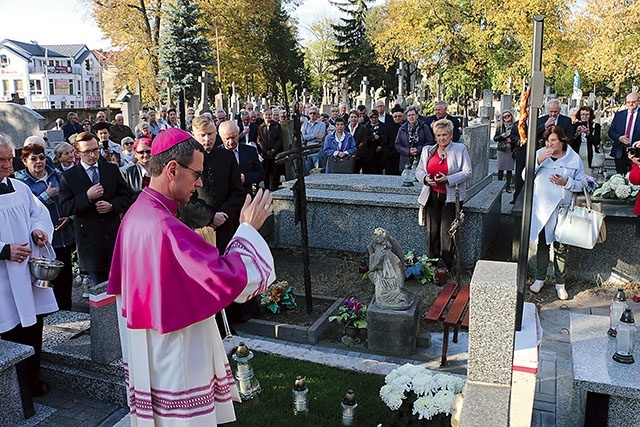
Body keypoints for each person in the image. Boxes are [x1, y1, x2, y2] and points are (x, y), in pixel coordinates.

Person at [106, 128, 275, 425]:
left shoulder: (138, 212)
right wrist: (247, 229)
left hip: (151, 349)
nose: (198, 183)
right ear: (173, 169)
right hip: (176, 354)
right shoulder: (163, 225)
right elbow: (226, 279)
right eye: (196, 173)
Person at [0, 135, 57, 398]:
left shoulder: (19, 188)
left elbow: (39, 213)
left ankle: (33, 378)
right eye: (1, 160)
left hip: (26, 274)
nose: (8, 166)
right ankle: (13, 390)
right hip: (3, 280)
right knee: (8, 331)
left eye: (9, 159)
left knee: (32, 328)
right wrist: (3, 250)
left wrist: (38, 231)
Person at [58, 132, 133, 294]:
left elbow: (127, 196)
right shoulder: (68, 177)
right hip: (90, 242)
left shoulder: (110, 169)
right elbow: (65, 207)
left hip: (113, 237)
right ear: (77, 153)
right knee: (102, 290)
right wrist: (87, 197)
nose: (92, 155)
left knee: (122, 287)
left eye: (95, 150)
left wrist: (112, 205)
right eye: (87, 152)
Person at [528, 126, 586, 300]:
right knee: (543, 244)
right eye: (547, 141)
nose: (549, 144)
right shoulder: (540, 154)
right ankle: (540, 278)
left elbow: (583, 183)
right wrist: (538, 161)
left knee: (560, 247)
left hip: (562, 210)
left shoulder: (573, 159)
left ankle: (560, 283)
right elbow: (525, 176)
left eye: (553, 140)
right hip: (543, 209)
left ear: (562, 141)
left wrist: (565, 182)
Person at [15, 143, 75, 310]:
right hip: (42, 242)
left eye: (42, 157)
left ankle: (67, 313)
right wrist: (46, 196)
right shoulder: (20, 183)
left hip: (63, 237)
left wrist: (69, 217)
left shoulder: (57, 176)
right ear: (25, 161)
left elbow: (72, 200)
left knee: (65, 282)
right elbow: (26, 210)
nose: (39, 162)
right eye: (33, 159)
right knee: (44, 287)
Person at [180, 114, 245, 252]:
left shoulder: (227, 157)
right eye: (202, 135)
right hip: (197, 225)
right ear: (193, 134)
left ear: (216, 131)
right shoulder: (184, 161)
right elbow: (181, 197)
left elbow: (238, 191)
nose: (207, 139)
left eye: (210, 134)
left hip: (226, 225)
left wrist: (223, 213)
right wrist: (210, 217)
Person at [415, 119, 472, 271]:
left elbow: (467, 172)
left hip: (451, 198)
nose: (441, 138)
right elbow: (419, 171)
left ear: (451, 135)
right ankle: (432, 264)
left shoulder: (460, 149)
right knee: (432, 231)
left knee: (447, 233)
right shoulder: (428, 150)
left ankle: (447, 265)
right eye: (438, 135)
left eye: (444, 135)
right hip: (432, 196)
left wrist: (448, 179)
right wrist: (426, 178)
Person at [368, 227, 413, 309]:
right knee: (372, 275)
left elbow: (397, 262)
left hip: (389, 282)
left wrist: (400, 283)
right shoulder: (379, 249)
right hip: (384, 279)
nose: (372, 236)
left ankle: (398, 294)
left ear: (379, 239)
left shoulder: (384, 252)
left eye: (375, 235)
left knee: (382, 298)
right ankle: (397, 293)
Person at [219, 121, 264, 195]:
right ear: (221, 137)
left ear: (238, 134)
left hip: (245, 196)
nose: (231, 142)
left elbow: (260, 174)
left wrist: (245, 177)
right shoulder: (217, 154)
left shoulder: (250, 151)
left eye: (234, 137)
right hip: (224, 198)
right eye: (227, 138)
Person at [608, 92, 640, 174]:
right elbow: (611, 131)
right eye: (628, 102)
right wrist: (619, 138)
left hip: (637, 153)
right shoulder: (619, 115)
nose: (631, 104)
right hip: (620, 151)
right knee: (620, 178)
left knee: (635, 179)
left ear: (638, 101)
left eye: (633, 102)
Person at [395, 105, 433, 171]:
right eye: (409, 115)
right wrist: (408, 151)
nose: (411, 117)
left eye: (413, 115)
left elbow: (430, 142)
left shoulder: (424, 127)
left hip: (420, 159)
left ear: (417, 116)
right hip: (406, 161)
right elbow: (397, 144)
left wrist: (418, 149)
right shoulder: (402, 128)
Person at [493, 110, 519, 192]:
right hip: (502, 150)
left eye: (508, 116)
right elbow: (495, 138)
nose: (507, 118)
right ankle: (499, 186)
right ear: (502, 118)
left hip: (511, 149)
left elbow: (518, 137)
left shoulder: (516, 126)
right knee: (500, 168)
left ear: (511, 116)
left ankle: (508, 186)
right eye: (504, 117)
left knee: (509, 169)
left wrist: (511, 140)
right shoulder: (500, 126)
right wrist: (501, 136)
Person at [301, 106, 326, 173]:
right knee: (307, 170)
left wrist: (308, 137)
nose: (312, 115)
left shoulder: (322, 124)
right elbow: (302, 137)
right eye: (310, 113)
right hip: (307, 150)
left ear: (318, 114)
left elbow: (321, 137)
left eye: (314, 113)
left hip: (317, 149)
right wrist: (314, 135)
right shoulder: (305, 124)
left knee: (317, 171)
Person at [382, 106, 404, 175]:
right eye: (395, 116)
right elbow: (384, 143)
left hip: (404, 156)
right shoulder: (387, 128)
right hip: (391, 158)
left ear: (403, 117)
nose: (397, 118)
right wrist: (388, 154)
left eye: (399, 116)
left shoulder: (406, 126)